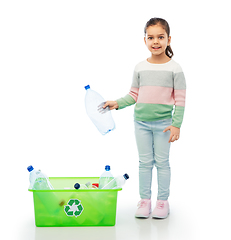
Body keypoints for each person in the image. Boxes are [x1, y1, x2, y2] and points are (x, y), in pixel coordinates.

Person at [103, 17, 186, 219]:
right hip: (141, 124)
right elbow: (134, 95)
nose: (155, 41)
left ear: (169, 39)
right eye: (151, 37)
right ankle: (145, 201)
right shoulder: (140, 67)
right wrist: (117, 103)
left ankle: (162, 202)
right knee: (145, 162)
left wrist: (176, 125)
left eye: (160, 37)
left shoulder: (175, 68)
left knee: (162, 162)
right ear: (145, 40)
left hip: (165, 125)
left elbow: (181, 100)